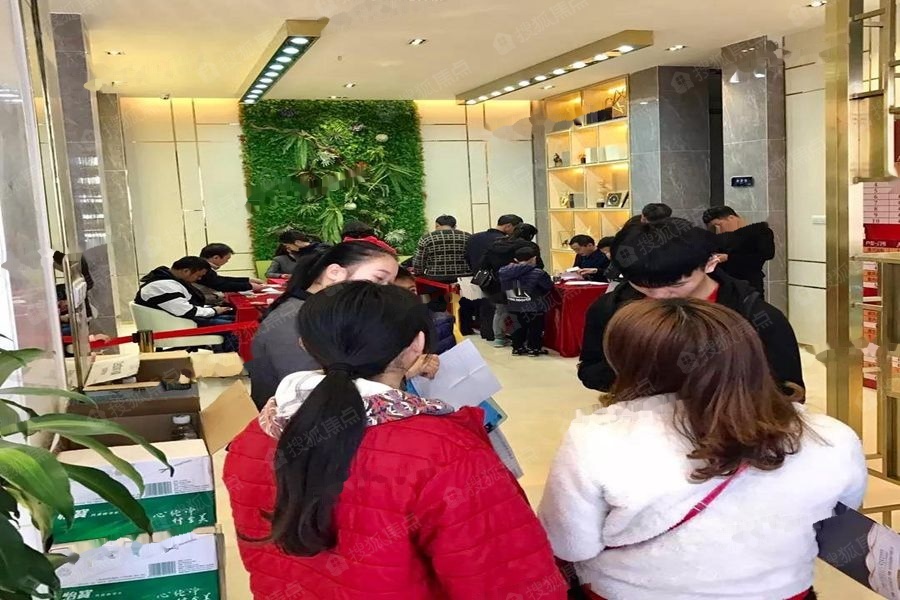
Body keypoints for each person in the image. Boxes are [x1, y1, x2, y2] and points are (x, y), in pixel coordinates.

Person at [225, 282, 565, 600]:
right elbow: (508, 580)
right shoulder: (443, 452)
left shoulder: (252, 437)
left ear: (304, 344)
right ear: (417, 345)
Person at [540, 299, 866, 600]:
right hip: (783, 591)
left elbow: (571, 545)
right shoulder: (831, 436)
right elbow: (835, 523)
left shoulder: (597, 437)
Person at [577, 218, 804, 394]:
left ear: (710, 263)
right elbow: (591, 371)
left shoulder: (755, 316)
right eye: (644, 286)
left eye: (676, 285)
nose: (660, 296)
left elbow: (788, 390)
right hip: (648, 426)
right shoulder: (611, 308)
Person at [249, 241, 400, 409]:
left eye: (390, 285)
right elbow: (315, 398)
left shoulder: (322, 313)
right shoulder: (295, 322)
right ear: (334, 273)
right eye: (378, 279)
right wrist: (396, 374)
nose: (385, 293)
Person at [134, 256, 237, 352]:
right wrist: (214, 310)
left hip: (178, 321)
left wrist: (213, 309)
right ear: (186, 271)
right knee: (236, 327)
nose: (199, 279)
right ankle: (232, 360)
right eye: (198, 275)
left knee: (235, 318)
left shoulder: (167, 281)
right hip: (179, 325)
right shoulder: (163, 286)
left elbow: (184, 306)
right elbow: (187, 311)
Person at [481, 223, 543, 347]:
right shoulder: (529, 246)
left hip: (499, 282)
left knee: (500, 310)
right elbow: (538, 265)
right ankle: (523, 340)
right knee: (522, 312)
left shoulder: (496, 244)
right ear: (530, 235)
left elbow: (484, 264)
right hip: (521, 283)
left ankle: (499, 338)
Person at [465, 214, 523, 341]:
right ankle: (501, 335)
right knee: (501, 308)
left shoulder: (474, 238)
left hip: (481, 277)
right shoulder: (505, 241)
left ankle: (487, 332)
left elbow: (466, 257)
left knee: (485, 304)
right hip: (500, 278)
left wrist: (476, 270)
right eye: (516, 228)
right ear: (508, 226)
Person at [702, 205, 776, 297]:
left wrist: (729, 258)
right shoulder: (721, 239)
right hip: (726, 287)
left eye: (718, 225)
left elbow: (765, 255)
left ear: (731, 218)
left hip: (750, 284)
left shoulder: (760, 233)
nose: (718, 230)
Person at [500, 246, 553, 356]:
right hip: (533, 305)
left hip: (513, 302)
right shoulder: (538, 272)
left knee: (517, 326)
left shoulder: (504, 271)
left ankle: (517, 348)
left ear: (516, 259)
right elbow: (548, 286)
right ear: (534, 258)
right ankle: (534, 348)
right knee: (535, 327)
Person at [394, 267, 456, 354]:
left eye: (412, 290)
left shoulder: (440, 321)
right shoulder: (377, 328)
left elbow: (449, 355)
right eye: (399, 293)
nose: (409, 297)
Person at [196, 243, 264, 303]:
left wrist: (248, 280)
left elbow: (220, 279)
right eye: (227, 259)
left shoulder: (203, 266)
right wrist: (249, 286)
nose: (227, 261)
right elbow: (221, 285)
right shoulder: (202, 269)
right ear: (216, 257)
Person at [412, 215, 472, 281]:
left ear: (437, 225)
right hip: (465, 278)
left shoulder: (427, 238)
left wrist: (418, 273)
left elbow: (419, 262)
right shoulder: (467, 236)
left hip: (436, 279)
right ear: (454, 226)